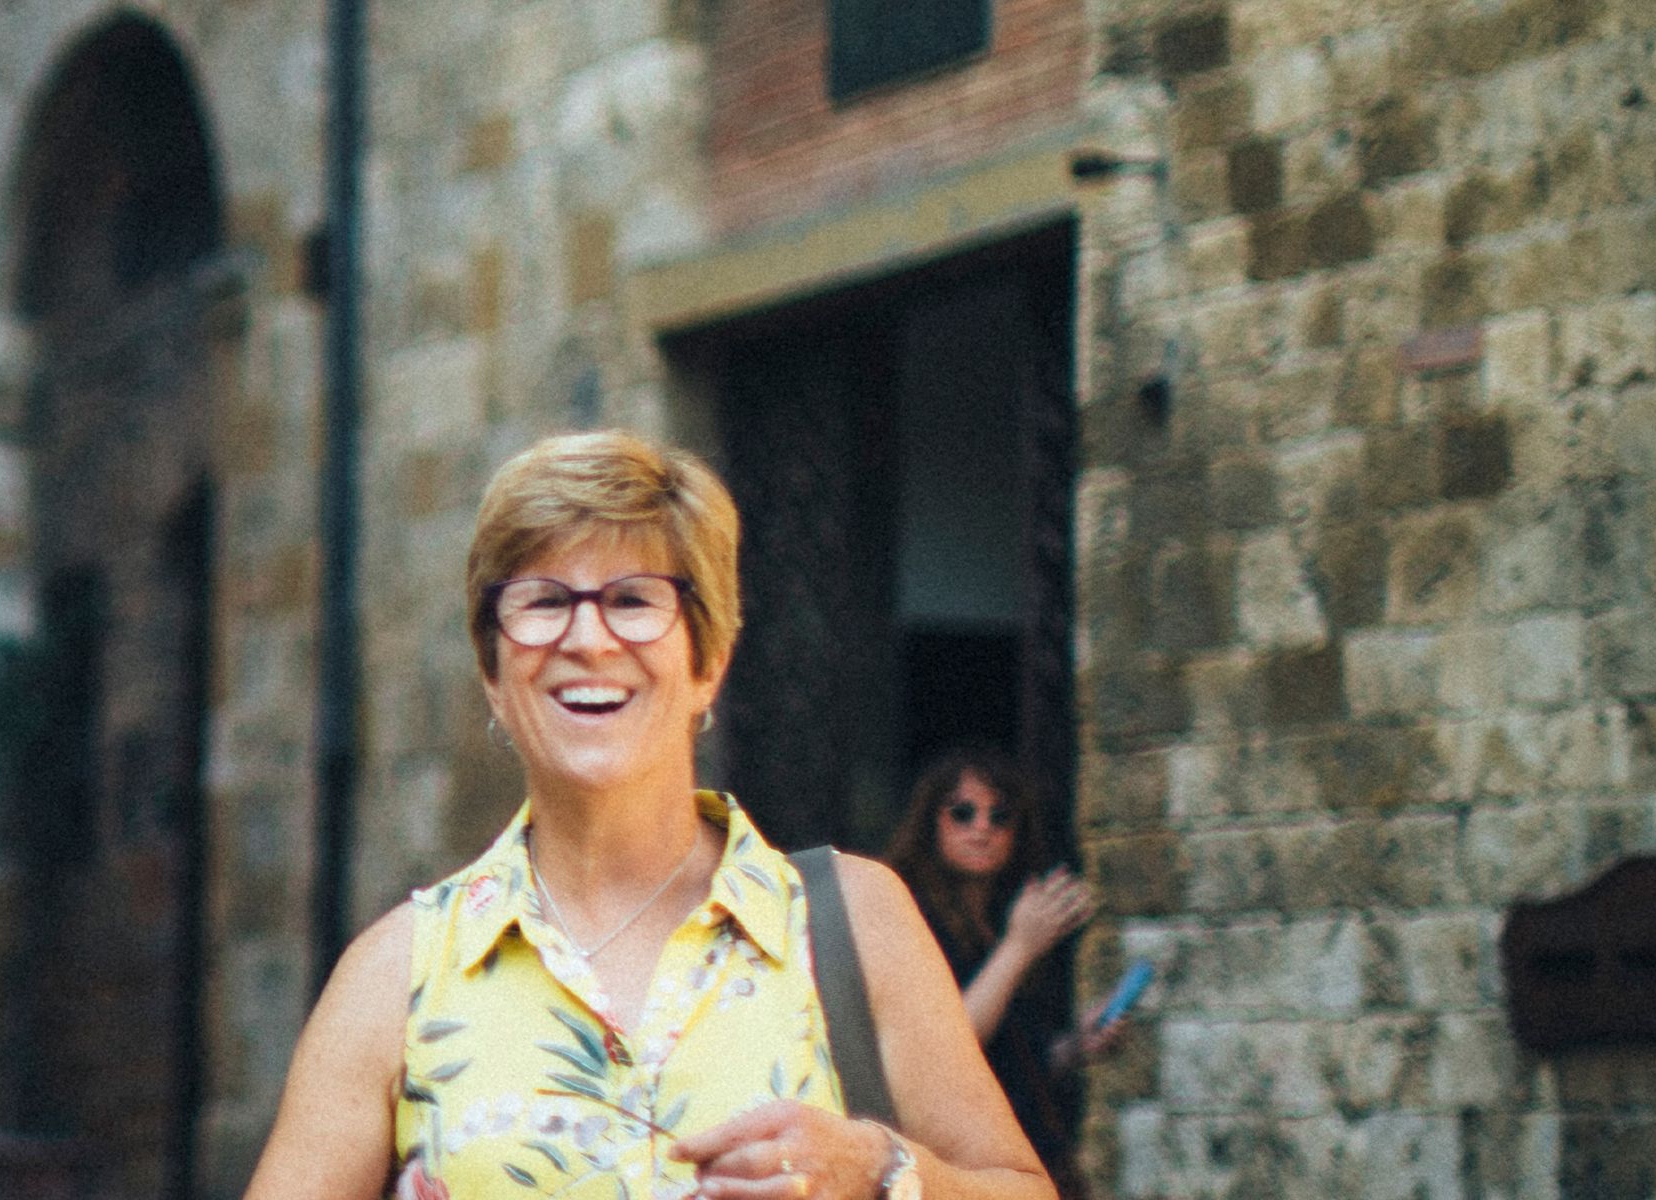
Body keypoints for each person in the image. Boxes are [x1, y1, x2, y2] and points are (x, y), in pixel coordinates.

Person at [242, 431, 1053, 1200]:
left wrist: (879, 1169)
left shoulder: (850, 920)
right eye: (544, 601)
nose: (588, 638)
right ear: (493, 673)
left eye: (633, 601)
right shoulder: (400, 976)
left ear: (707, 663)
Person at [878, 749, 1124, 1197]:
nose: (982, 828)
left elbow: (1015, 1057)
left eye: (1001, 816)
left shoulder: (1002, 918)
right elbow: (947, 1047)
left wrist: (1074, 1045)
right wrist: (1019, 947)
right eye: (962, 813)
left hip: (1029, 1152)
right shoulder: (908, 915)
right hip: (958, 1160)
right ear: (931, 821)